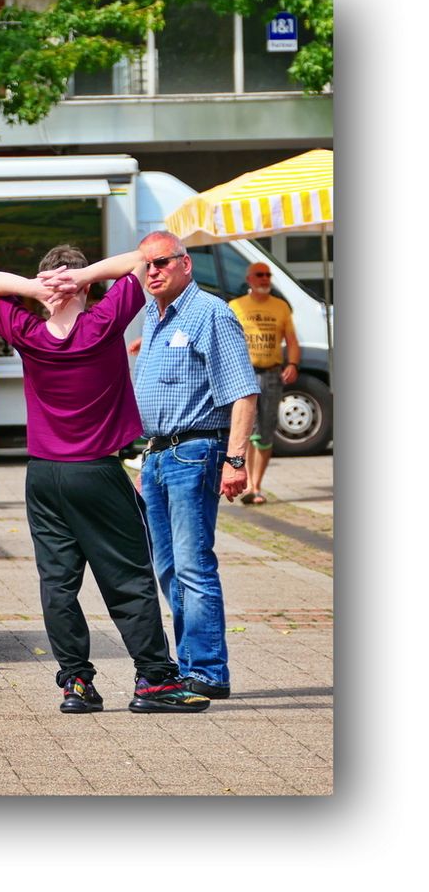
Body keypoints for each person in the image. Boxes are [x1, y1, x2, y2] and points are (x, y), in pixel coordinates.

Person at [0, 246, 209, 715]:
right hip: (97, 472)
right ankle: (155, 681)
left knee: (58, 584)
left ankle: (76, 684)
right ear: (86, 289)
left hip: (43, 475)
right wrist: (80, 276)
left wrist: (35, 288)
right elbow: (142, 258)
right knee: (127, 578)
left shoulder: (29, 333)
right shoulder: (103, 325)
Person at [133, 231, 259, 700]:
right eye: (146, 265)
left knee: (192, 565)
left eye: (162, 262)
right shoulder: (153, 314)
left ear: (187, 264)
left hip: (196, 451)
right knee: (167, 567)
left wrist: (235, 459)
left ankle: (207, 671)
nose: (152, 272)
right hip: (159, 454)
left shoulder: (210, 314)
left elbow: (243, 392)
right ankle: (190, 664)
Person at [228, 262, 301, 505]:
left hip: (271, 373)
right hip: (244, 373)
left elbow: (291, 340)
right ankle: (248, 484)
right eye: (259, 275)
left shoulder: (280, 307)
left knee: (266, 429)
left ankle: (256, 485)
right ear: (249, 279)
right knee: (246, 429)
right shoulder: (236, 306)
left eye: (268, 275)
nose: (264, 279)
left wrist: (293, 364)